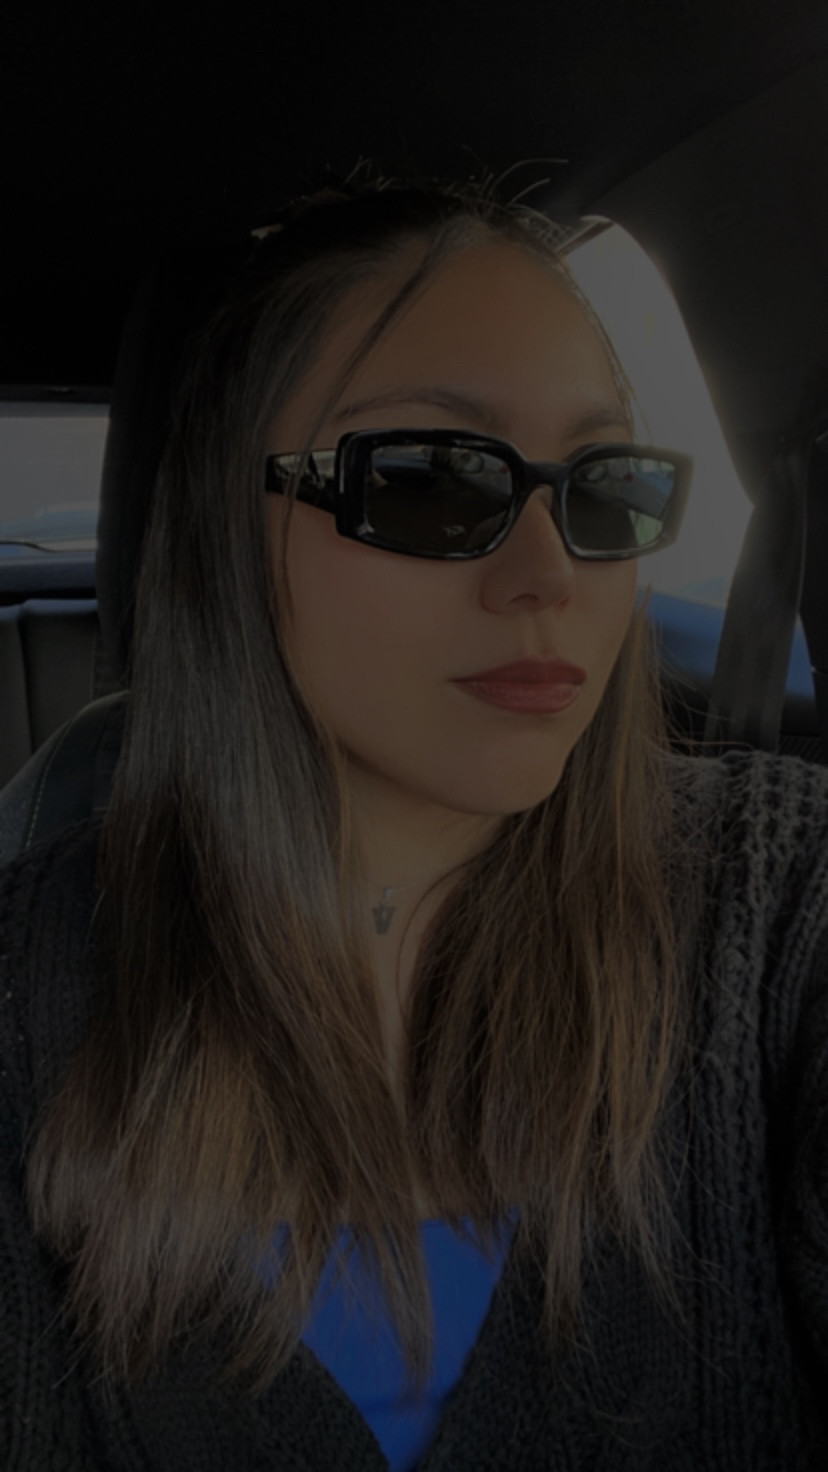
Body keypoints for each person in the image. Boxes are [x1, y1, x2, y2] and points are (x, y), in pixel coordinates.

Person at [1, 172, 827, 1471]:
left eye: (606, 484)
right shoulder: (24, 999)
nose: (551, 575)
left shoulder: (772, 901)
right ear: (228, 525)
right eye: (434, 479)